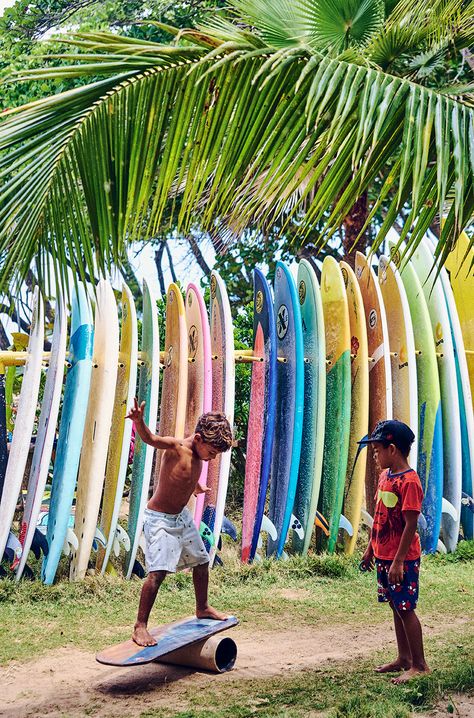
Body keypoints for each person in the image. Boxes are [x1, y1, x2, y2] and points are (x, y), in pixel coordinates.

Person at [125, 399, 233, 646]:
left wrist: (195, 487)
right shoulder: (175, 447)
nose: (212, 458)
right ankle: (140, 626)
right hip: (160, 520)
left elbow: (187, 473)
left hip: (181, 517)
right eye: (212, 453)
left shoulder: (199, 455)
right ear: (198, 439)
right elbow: (151, 439)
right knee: (158, 573)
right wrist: (139, 422)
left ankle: (202, 607)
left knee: (203, 561)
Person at [359, 420, 430, 684]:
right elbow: (379, 518)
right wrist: (370, 550)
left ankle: (420, 664)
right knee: (395, 605)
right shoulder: (385, 477)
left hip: (402, 559)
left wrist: (399, 562)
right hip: (384, 556)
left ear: (393, 449)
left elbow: (410, 524)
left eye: (377, 450)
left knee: (406, 608)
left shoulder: (409, 482)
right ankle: (404, 658)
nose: (375, 455)